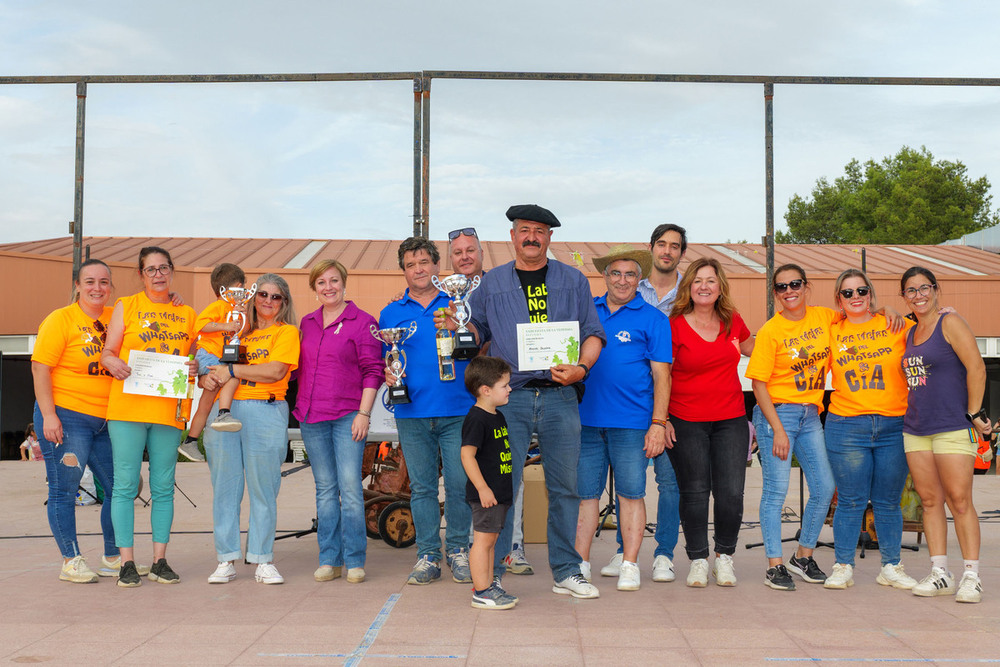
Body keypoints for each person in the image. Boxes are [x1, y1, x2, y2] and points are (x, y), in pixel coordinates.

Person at [456, 203, 606, 600]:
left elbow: (593, 333)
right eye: (524, 230)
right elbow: (478, 331)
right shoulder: (493, 283)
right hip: (512, 398)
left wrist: (583, 369)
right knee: (503, 484)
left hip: (560, 397)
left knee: (565, 486)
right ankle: (495, 572)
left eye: (539, 231)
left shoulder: (573, 280)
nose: (531, 237)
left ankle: (566, 570)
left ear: (549, 238)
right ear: (512, 236)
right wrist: (460, 325)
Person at [574, 245, 671, 592]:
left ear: (640, 279)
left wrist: (658, 424)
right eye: (616, 273)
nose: (623, 280)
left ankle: (630, 564)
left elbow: (663, 377)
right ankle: (579, 564)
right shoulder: (586, 313)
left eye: (630, 274)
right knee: (585, 495)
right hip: (585, 421)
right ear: (605, 276)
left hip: (632, 422)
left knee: (632, 494)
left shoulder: (654, 319)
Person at [100, 247, 198, 587]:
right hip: (127, 409)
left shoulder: (187, 313)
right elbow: (107, 351)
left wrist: (196, 366)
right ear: (141, 275)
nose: (158, 274)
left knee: (163, 487)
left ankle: (160, 560)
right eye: (150, 269)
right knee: (125, 485)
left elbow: (195, 359)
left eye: (163, 268)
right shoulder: (127, 305)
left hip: (167, 411)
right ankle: (127, 562)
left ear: (172, 271)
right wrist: (111, 361)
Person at [379, 237, 474, 586]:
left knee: (460, 484)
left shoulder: (457, 303)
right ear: (403, 270)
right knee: (421, 489)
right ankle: (428, 555)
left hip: (457, 410)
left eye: (424, 262)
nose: (418, 269)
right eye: (410, 264)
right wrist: (388, 373)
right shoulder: (391, 312)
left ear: (437, 266)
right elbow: (385, 360)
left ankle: (459, 550)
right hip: (412, 413)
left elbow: (475, 344)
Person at [822, 269, 919, 591]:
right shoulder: (830, 329)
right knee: (850, 500)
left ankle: (891, 566)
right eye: (847, 293)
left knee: (888, 501)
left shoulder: (895, 324)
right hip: (846, 425)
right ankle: (842, 566)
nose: (855, 297)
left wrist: (945, 314)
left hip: (894, 423)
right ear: (839, 299)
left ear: (870, 293)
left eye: (861, 291)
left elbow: (932, 332)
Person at [200, 273, 300, 585]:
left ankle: (262, 558)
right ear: (253, 299)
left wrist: (232, 369)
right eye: (263, 295)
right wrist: (203, 373)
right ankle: (225, 557)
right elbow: (204, 352)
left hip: (266, 409)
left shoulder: (287, 332)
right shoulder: (237, 329)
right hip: (225, 411)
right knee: (225, 490)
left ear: (284, 302)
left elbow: (274, 371)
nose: (268, 301)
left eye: (276, 296)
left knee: (263, 488)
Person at [600, 224, 684, 583]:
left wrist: (663, 417)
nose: (667, 251)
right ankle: (624, 551)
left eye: (675, 246)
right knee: (630, 482)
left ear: (681, 253)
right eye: (661, 244)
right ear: (650, 251)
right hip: (639, 404)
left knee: (669, 481)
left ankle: (664, 553)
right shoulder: (634, 286)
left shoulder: (691, 290)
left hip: (676, 401)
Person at [745, 263, 838, 591]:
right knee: (775, 491)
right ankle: (775, 564)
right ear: (775, 293)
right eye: (782, 287)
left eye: (795, 284)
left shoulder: (825, 317)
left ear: (806, 286)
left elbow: (859, 318)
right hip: (777, 415)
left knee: (825, 487)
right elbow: (758, 385)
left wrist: (886, 310)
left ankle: (803, 556)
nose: (789, 291)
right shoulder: (771, 330)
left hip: (811, 414)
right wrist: (778, 430)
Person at [900, 266, 989, 603]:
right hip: (916, 428)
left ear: (936, 290)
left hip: (952, 426)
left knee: (960, 501)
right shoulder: (909, 333)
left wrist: (975, 413)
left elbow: (977, 368)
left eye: (924, 288)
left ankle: (971, 576)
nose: (919, 295)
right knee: (930, 501)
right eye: (911, 290)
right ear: (904, 296)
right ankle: (940, 573)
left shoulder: (950, 322)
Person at [666, 257, 755, 587]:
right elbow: (660, 375)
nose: (704, 286)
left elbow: (757, 351)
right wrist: (661, 420)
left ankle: (725, 557)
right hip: (685, 419)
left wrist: (795, 342)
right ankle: (698, 559)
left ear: (721, 288)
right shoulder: (672, 324)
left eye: (711, 281)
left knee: (731, 492)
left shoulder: (733, 321)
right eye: (697, 280)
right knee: (695, 492)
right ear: (688, 286)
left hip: (731, 419)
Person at [31, 259, 121, 582]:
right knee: (64, 489)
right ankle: (71, 559)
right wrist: (50, 414)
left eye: (104, 282)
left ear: (111, 286)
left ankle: (113, 556)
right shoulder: (61, 319)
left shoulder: (117, 318)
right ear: (78, 285)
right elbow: (40, 367)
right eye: (90, 282)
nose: (98, 288)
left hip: (107, 420)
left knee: (119, 488)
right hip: (67, 415)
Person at [295, 259, 382, 584]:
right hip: (311, 416)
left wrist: (363, 413)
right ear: (314, 288)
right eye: (321, 283)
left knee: (349, 488)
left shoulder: (363, 322)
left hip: (348, 416)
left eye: (333, 281)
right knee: (325, 491)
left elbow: (373, 371)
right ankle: (329, 558)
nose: (328, 287)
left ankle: (355, 560)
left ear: (344, 283)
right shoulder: (307, 322)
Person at [461, 356, 518, 610]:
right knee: (483, 542)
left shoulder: (497, 416)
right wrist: (483, 488)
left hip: (499, 494)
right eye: (504, 385)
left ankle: (488, 585)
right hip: (487, 495)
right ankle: (482, 591)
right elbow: (467, 455)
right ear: (486, 390)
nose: (509, 389)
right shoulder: (477, 418)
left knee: (491, 542)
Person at [178, 263, 247, 461]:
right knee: (233, 376)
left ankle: (190, 441)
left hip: (218, 356)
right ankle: (223, 413)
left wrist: (241, 313)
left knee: (206, 403)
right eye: (241, 289)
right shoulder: (219, 307)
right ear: (236, 287)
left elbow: (243, 330)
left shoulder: (235, 309)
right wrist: (226, 324)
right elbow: (201, 324)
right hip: (209, 355)